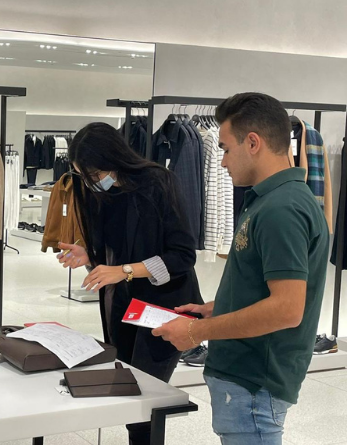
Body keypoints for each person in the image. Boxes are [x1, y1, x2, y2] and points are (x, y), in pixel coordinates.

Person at [153, 92, 329, 444]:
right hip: (248, 378)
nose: (222, 162)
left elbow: (287, 309)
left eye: (225, 149)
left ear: (252, 143)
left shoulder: (282, 209)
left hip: (254, 382)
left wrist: (196, 333)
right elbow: (265, 286)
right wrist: (217, 308)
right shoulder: (269, 200)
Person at [58, 122, 203, 445]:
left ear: (114, 159)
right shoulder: (97, 193)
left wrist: (124, 271)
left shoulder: (159, 183)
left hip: (164, 306)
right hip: (123, 305)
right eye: (84, 176)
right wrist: (90, 255)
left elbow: (182, 256)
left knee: (145, 397)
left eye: (95, 174)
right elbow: (116, 249)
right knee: (129, 390)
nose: (92, 182)